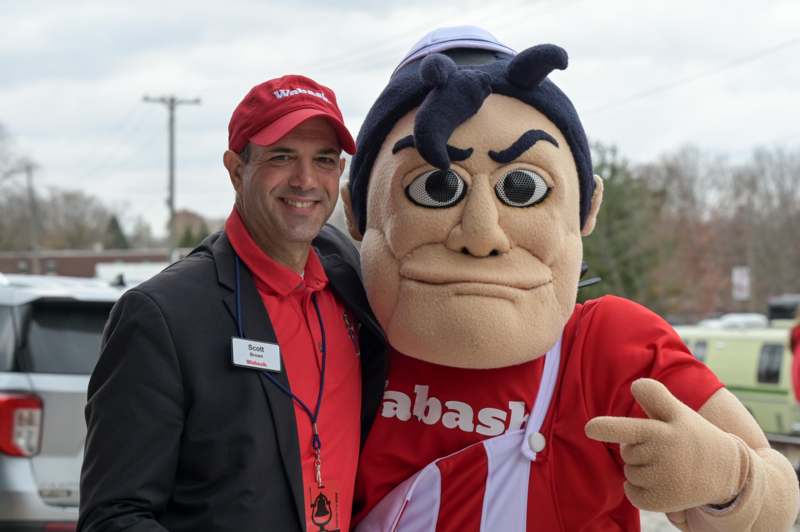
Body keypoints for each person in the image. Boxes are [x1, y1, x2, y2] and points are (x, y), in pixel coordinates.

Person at [341, 26, 800, 531]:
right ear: (358, 213)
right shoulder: (338, 336)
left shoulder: (608, 348)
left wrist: (727, 480)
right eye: (436, 186)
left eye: (521, 187)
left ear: (587, 209)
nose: (481, 232)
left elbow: (776, 495)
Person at [79, 75, 386, 532]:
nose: (305, 180)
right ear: (236, 169)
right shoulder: (163, 316)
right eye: (282, 156)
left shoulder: (353, 280)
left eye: (323, 160)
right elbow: (114, 516)